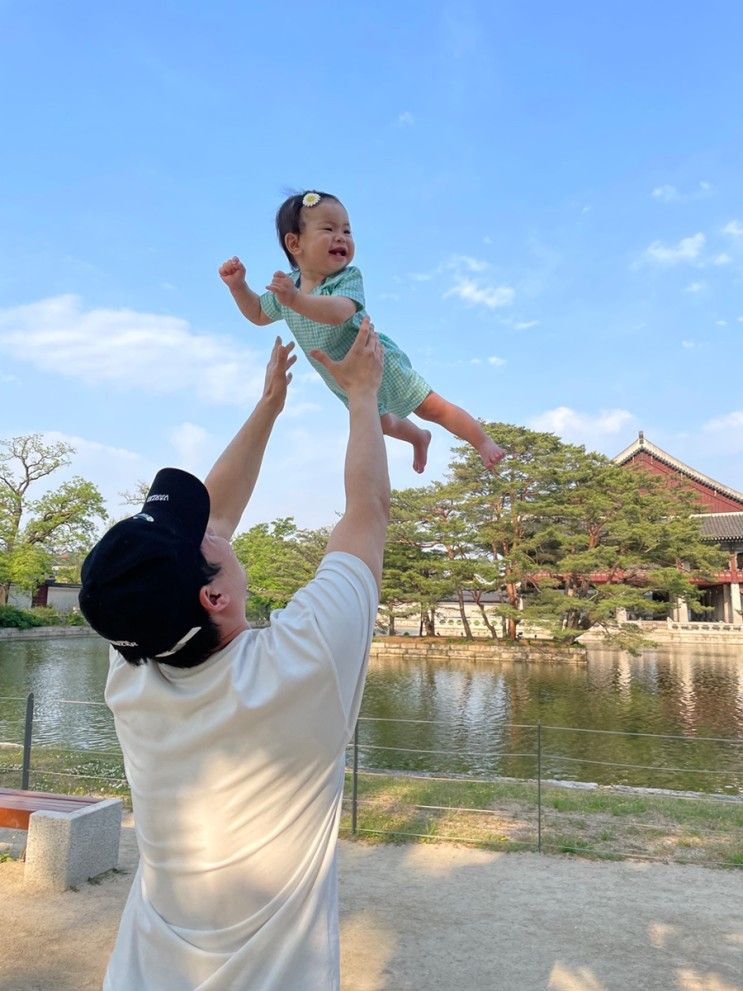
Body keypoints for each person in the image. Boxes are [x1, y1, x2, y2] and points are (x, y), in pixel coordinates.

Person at [78, 321, 390, 991]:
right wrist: (364, 395)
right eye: (201, 540)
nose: (214, 530)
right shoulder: (300, 667)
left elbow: (212, 524)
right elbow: (365, 513)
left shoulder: (135, 666)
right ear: (214, 595)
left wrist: (268, 405)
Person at [219, 189, 505, 473]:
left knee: (431, 407)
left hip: (376, 361)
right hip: (343, 377)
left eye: (347, 230)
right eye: (329, 228)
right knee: (381, 424)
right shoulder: (288, 287)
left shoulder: (346, 278)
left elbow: (340, 312)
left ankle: (482, 442)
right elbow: (257, 313)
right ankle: (418, 437)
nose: (341, 237)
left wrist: (296, 301)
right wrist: (239, 287)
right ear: (295, 243)